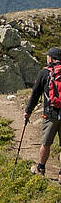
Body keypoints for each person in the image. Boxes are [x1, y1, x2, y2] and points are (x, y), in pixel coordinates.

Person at [24, 46, 61, 179]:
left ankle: (40, 168)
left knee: (46, 143)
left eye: (48, 56)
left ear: (51, 58)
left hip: (50, 114)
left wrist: (28, 112)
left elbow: (35, 94)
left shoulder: (44, 73)